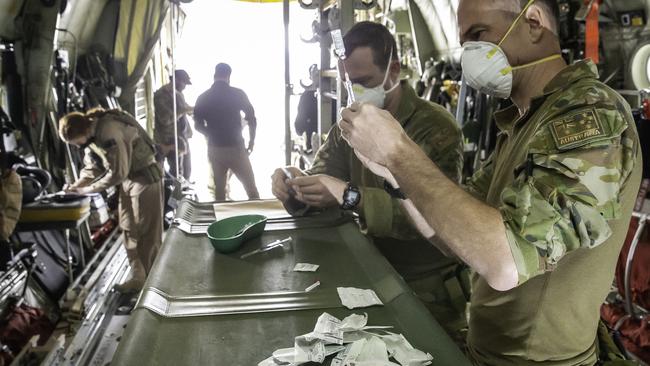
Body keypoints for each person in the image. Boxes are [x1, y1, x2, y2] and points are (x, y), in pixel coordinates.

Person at [339, 0, 642, 364]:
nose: (470, 53)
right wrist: (393, 173)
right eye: (464, 42)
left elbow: (505, 261)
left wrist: (401, 152)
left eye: (479, 35)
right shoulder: (524, 122)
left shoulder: (588, 114)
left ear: (532, 22)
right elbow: (451, 236)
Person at [271, 22, 466, 334]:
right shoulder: (348, 127)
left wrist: (350, 195)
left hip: (426, 289)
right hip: (366, 275)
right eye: (348, 83)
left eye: (363, 82)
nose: (354, 93)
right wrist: (295, 187)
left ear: (394, 71)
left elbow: (436, 219)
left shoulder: (435, 129)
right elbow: (324, 180)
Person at [59, 108, 164, 293]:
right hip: (128, 181)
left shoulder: (108, 130)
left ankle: (155, 284)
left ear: (80, 132)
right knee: (128, 229)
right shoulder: (91, 137)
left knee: (147, 234)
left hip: (144, 179)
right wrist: (76, 186)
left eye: (74, 142)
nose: (75, 146)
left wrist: (87, 190)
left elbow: (118, 172)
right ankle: (138, 278)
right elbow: (93, 166)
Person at [194, 63, 259, 201]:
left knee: (219, 192)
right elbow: (252, 120)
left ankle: (222, 219)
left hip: (215, 149)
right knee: (251, 189)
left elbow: (197, 126)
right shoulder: (237, 94)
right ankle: (258, 218)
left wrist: (210, 133)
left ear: (214, 75)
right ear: (229, 76)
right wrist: (251, 142)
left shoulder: (203, 97)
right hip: (236, 148)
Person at [154, 69, 194, 180]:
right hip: (169, 140)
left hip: (182, 138)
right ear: (176, 80)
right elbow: (165, 119)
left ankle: (182, 193)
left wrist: (193, 110)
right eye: (184, 83)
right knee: (176, 174)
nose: (185, 86)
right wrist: (184, 110)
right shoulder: (161, 95)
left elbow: (185, 109)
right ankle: (174, 196)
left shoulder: (178, 94)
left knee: (186, 172)